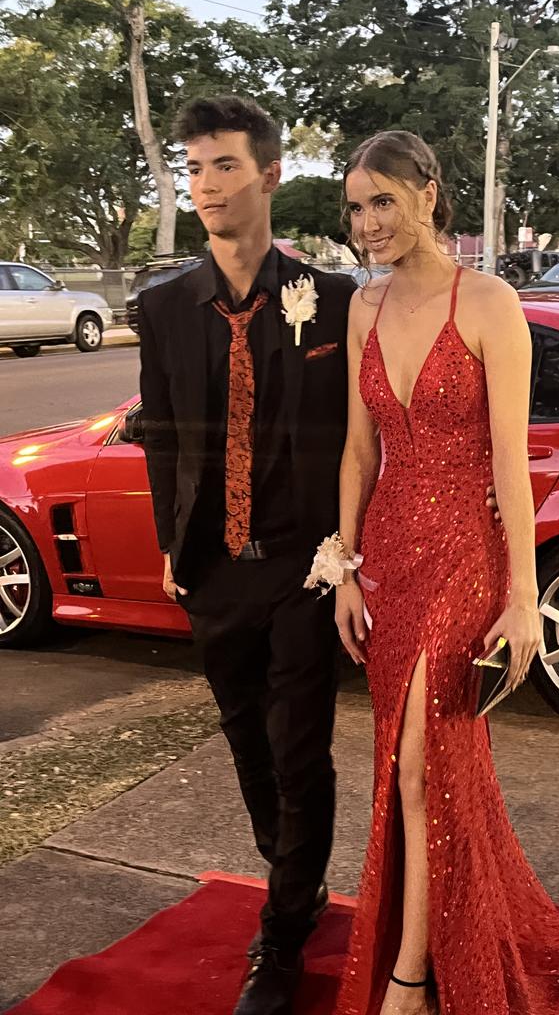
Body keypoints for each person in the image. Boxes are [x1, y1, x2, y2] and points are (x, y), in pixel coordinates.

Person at [332, 130, 559, 1015]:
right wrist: (346, 565)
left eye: (382, 200)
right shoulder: (364, 307)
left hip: (465, 554)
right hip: (387, 557)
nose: (367, 224)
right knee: (407, 763)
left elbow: (512, 465)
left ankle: (410, 977)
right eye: (355, 208)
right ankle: (437, 931)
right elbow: (357, 454)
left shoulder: (490, 301)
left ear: (429, 195)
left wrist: (523, 597)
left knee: (423, 768)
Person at [138, 95, 357, 1015]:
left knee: (298, 752)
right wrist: (166, 545)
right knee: (245, 745)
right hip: (213, 569)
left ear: (268, 174)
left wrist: (349, 553)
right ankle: (293, 880)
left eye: (222, 165)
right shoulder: (162, 306)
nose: (204, 186)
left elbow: (361, 433)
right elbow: (161, 435)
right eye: (192, 169)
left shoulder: (335, 300)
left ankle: (280, 940)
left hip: (303, 568)